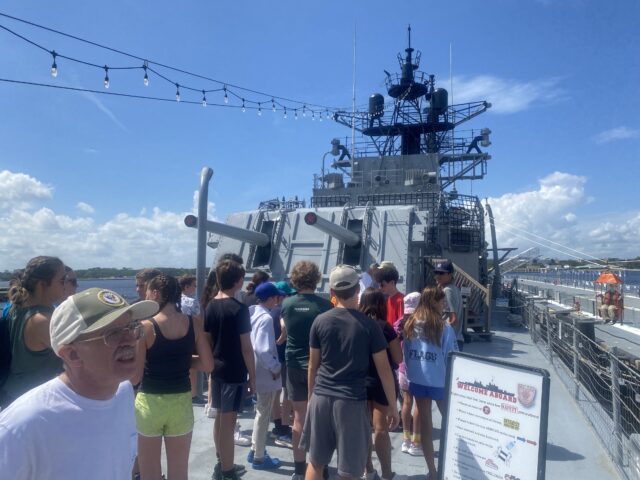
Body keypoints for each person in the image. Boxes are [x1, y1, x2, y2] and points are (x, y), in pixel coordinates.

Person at [0, 287, 159, 479]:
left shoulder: (123, 392)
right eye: (113, 333)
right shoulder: (24, 425)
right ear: (72, 354)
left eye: (131, 327)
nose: (130, 340)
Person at [301, 265, 399, 480]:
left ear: (332, 292)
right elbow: (385, 371)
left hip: (321, 397)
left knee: (316, 462)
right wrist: (393, 406)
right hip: (351, 402)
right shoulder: (370, 326)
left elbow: (312, 365)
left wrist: (310, 399)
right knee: (350, 471)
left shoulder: (320, 321)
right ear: (358, 290)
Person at [133, 274, 214, 480]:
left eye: (148, 292)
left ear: (156, 294)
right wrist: (183, 362)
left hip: (149, 405)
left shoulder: (145, 327)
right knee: (179, 473)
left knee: (149, 473)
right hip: (180, 403)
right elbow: (207, 364)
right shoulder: (193, 323)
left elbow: (135, 376)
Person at [280, 261, 333, 480]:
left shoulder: (287, 303)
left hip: (293, 365)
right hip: (319, 367)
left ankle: (299, 469)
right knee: (321, 420)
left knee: (299, 418)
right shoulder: (325, 305)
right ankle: (320, 466)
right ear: (316, 278)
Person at [205, 259, 256, 480]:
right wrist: (252, 377)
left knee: (219, 420)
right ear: (237, 281)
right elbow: (246, 348)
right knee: (229, 422)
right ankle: (227, 471)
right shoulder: (240, 309)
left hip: (216, 369)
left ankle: (221, 462)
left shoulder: (210, 306)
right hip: (234, 371)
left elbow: (207, 341)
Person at [403, 287, 458, 480]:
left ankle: (432, 472)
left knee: (426, 424)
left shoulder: (410, 322)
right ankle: (454, 464)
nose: (444, 304)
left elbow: (406, 351)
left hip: (417, 379)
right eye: (441, 301)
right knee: (452, 421)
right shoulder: (444, 327)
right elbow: (450, 355)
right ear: (433, 302)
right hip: (438, 380)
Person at [1, 256, 66, 407]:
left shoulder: (16, 308)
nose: (65, 285)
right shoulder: (43, 321)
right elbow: (80, 354)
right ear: (42, 284)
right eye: (62, 281)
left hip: (12, 393)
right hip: (30, 401)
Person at [359, 288, 403, 480]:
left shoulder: (357, 324)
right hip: (381, 382)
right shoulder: (385, 328)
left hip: (359, 381)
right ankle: (386, 472)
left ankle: (367, 469)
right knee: (381, 428)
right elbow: (398, 358)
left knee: (364, 428)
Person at [247, 282, 286, 470]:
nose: (277, 300)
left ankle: (255, 449)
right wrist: (275, 367)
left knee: (260, 411)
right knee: (264, 414)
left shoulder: (253, 313)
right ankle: (259, 457)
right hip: (266, 371)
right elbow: (262, 348)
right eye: (276, 297)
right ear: (271, 299)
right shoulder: (267, 318)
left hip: (255, 368)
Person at [270, 280, 296, 447]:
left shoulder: (270, 311)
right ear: (282, 296)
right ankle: (284, 429)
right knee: (286, 394)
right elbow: (284, 328)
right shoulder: (282, 311)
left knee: (274, 394)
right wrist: (281, 340)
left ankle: (278, 424)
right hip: (284, 357)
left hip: (272, 358)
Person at [396, 292, 422, 457]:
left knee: (406, 402)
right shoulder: (423, 324)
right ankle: (416, 442)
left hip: (403, 368)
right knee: (418, 404)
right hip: (419, 369)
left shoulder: (399, 323)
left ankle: (405, 440)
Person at [434, 260, 464, 351]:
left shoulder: (447, 290)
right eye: (436, 273)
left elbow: (453, 319)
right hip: (456, 339)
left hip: (448, 341)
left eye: (442, 273)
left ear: (450, 275)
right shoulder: (455, 288)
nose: (438, 276)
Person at [376, 262, 404, 327]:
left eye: (383, 285)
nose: (380, 287)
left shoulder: (401, 300)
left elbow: (401, 326)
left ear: (392, 282)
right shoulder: (388, 299)